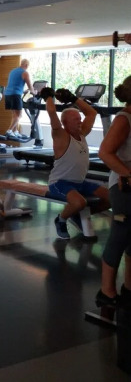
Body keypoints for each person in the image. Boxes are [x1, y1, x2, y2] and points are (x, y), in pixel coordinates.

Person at [39, 86, 110, 240]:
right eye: (75, 119)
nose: (80, 121)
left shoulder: (82, 133)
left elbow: (92, 113)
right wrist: (48, 97)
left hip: (80, 183)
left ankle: (77, 216)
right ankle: (61, 220)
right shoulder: (61, 135)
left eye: (79, 118)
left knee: (111, 198)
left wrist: (74, 98)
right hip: (59, 183)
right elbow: (51, 112)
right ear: (65, 122)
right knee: (79, 203)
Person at [96, 75, 131, 307]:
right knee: (120, 235)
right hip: (123, 187)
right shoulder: (123, 119)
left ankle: (129, 288)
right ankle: (106, 292)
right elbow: (105, 152)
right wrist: (127, 174)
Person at [5, 59, 34, 138]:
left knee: (14, 115)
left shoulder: (13, 71)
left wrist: (23, 91)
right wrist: (34, 92)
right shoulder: (25, 73)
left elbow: (14, 84)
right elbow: (30, 86)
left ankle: (15, 131)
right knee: (19, 115)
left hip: (8, 94)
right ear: (27, 65)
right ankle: (9, 131)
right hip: (15, 95)